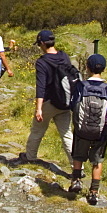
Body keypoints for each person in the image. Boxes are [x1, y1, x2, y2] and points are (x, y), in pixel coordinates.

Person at [69, 53, 107, 206]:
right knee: (97, 161)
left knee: (78, 155)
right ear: (103, 69)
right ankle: (94, 192)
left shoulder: (81, 85)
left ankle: (76, 181)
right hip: (100, 132)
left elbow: (74, 105)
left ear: (87, 67)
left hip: (82, 129)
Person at [22, 30, 75, 166]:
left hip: (49, 103)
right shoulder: (64, 56)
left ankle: (30, 156)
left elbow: (41, 87)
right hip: (65, 101)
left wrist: (38, 108)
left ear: (43, 43)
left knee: (37, 130)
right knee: (67, 134)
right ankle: (76, 166)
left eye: (39, 44)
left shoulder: (42, 62)